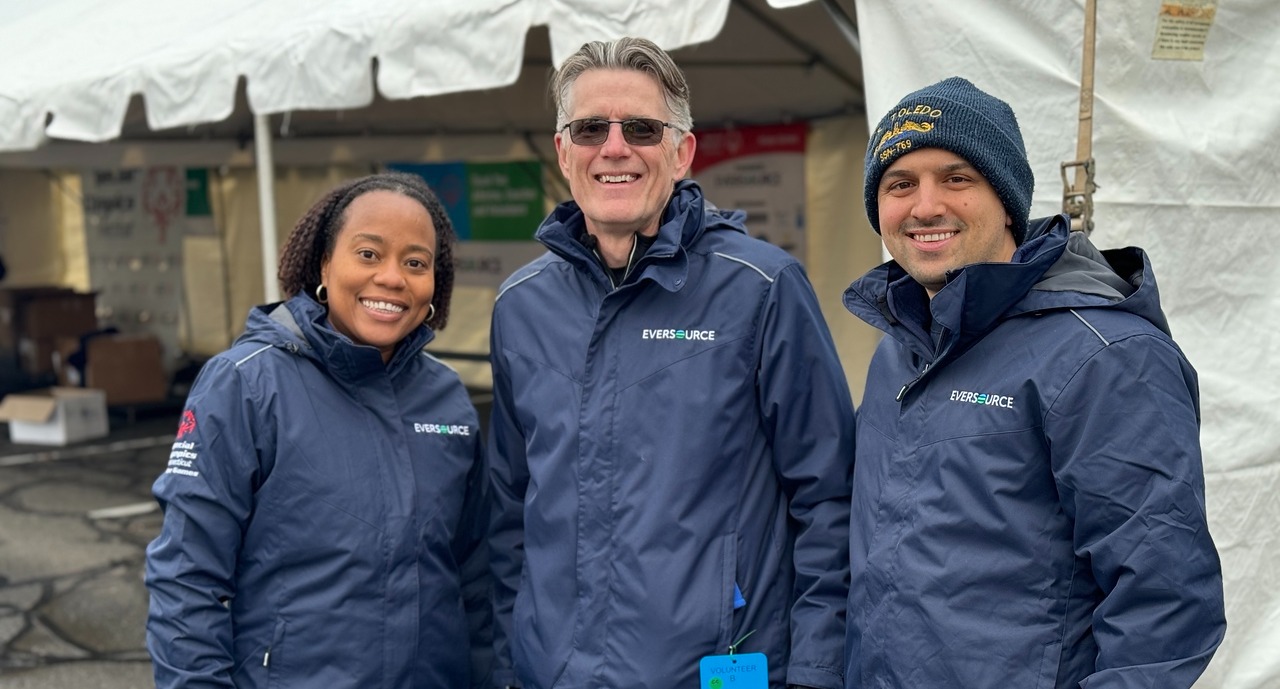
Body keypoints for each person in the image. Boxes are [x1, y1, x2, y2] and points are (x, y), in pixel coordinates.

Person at [487, 37, 855, 689]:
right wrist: (505, 665)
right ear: (564, 151)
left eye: (643, 129)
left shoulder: (761, 288)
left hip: (716, 673)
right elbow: (508, 511)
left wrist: (817, 670)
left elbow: (828, 497)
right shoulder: (522, 304)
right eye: (591, 127)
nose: (616, 147)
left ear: (683, 152)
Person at [843, 76, 1226, 688]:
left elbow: (1167, 602)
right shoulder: (901, 348)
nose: (925, 205)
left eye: (957, 178)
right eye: (900, 184)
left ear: (1006, 197)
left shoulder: (1105, 354)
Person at [144, 172, 490, 688]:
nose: (393, 278)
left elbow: (476, 576)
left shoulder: (448, 399)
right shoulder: (246, 384)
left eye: (415, 263)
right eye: (369, 254)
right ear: (324, 264)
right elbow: (186, 578)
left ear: (434, 284)